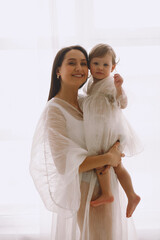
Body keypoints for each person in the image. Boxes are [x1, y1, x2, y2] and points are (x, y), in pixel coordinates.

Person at [30, 45, 138, 240]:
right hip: (86, 189)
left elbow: (112, 123)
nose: (79, 68)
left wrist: (116, 147)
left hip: (107, 182)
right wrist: (109, 157)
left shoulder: (88, 101)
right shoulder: (55, 109)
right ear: (58, 71)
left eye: (83, 63)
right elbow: (64, 165)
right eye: (72, 63)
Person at [80, 43, 141, 218]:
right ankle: (132, 195)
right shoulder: (90, 84)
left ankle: (107, 193)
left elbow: (122, 103)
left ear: (113, 67)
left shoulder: (110, 83)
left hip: (110, 130)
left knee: (101, 157)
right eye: (96, 63)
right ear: (90, 65)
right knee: (115, 165)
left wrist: (119, 87)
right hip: (99, 129)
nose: (100, 68)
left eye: (105, 65)